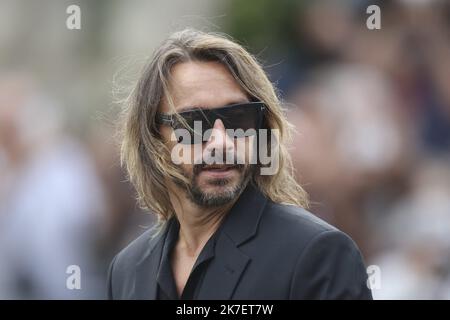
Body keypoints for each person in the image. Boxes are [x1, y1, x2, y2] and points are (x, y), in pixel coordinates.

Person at [107, 29, 372, 300]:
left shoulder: (317, 255)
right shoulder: (127, 270)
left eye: (239, 118)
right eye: (194, 122)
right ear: (153, 137)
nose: (221, 142)